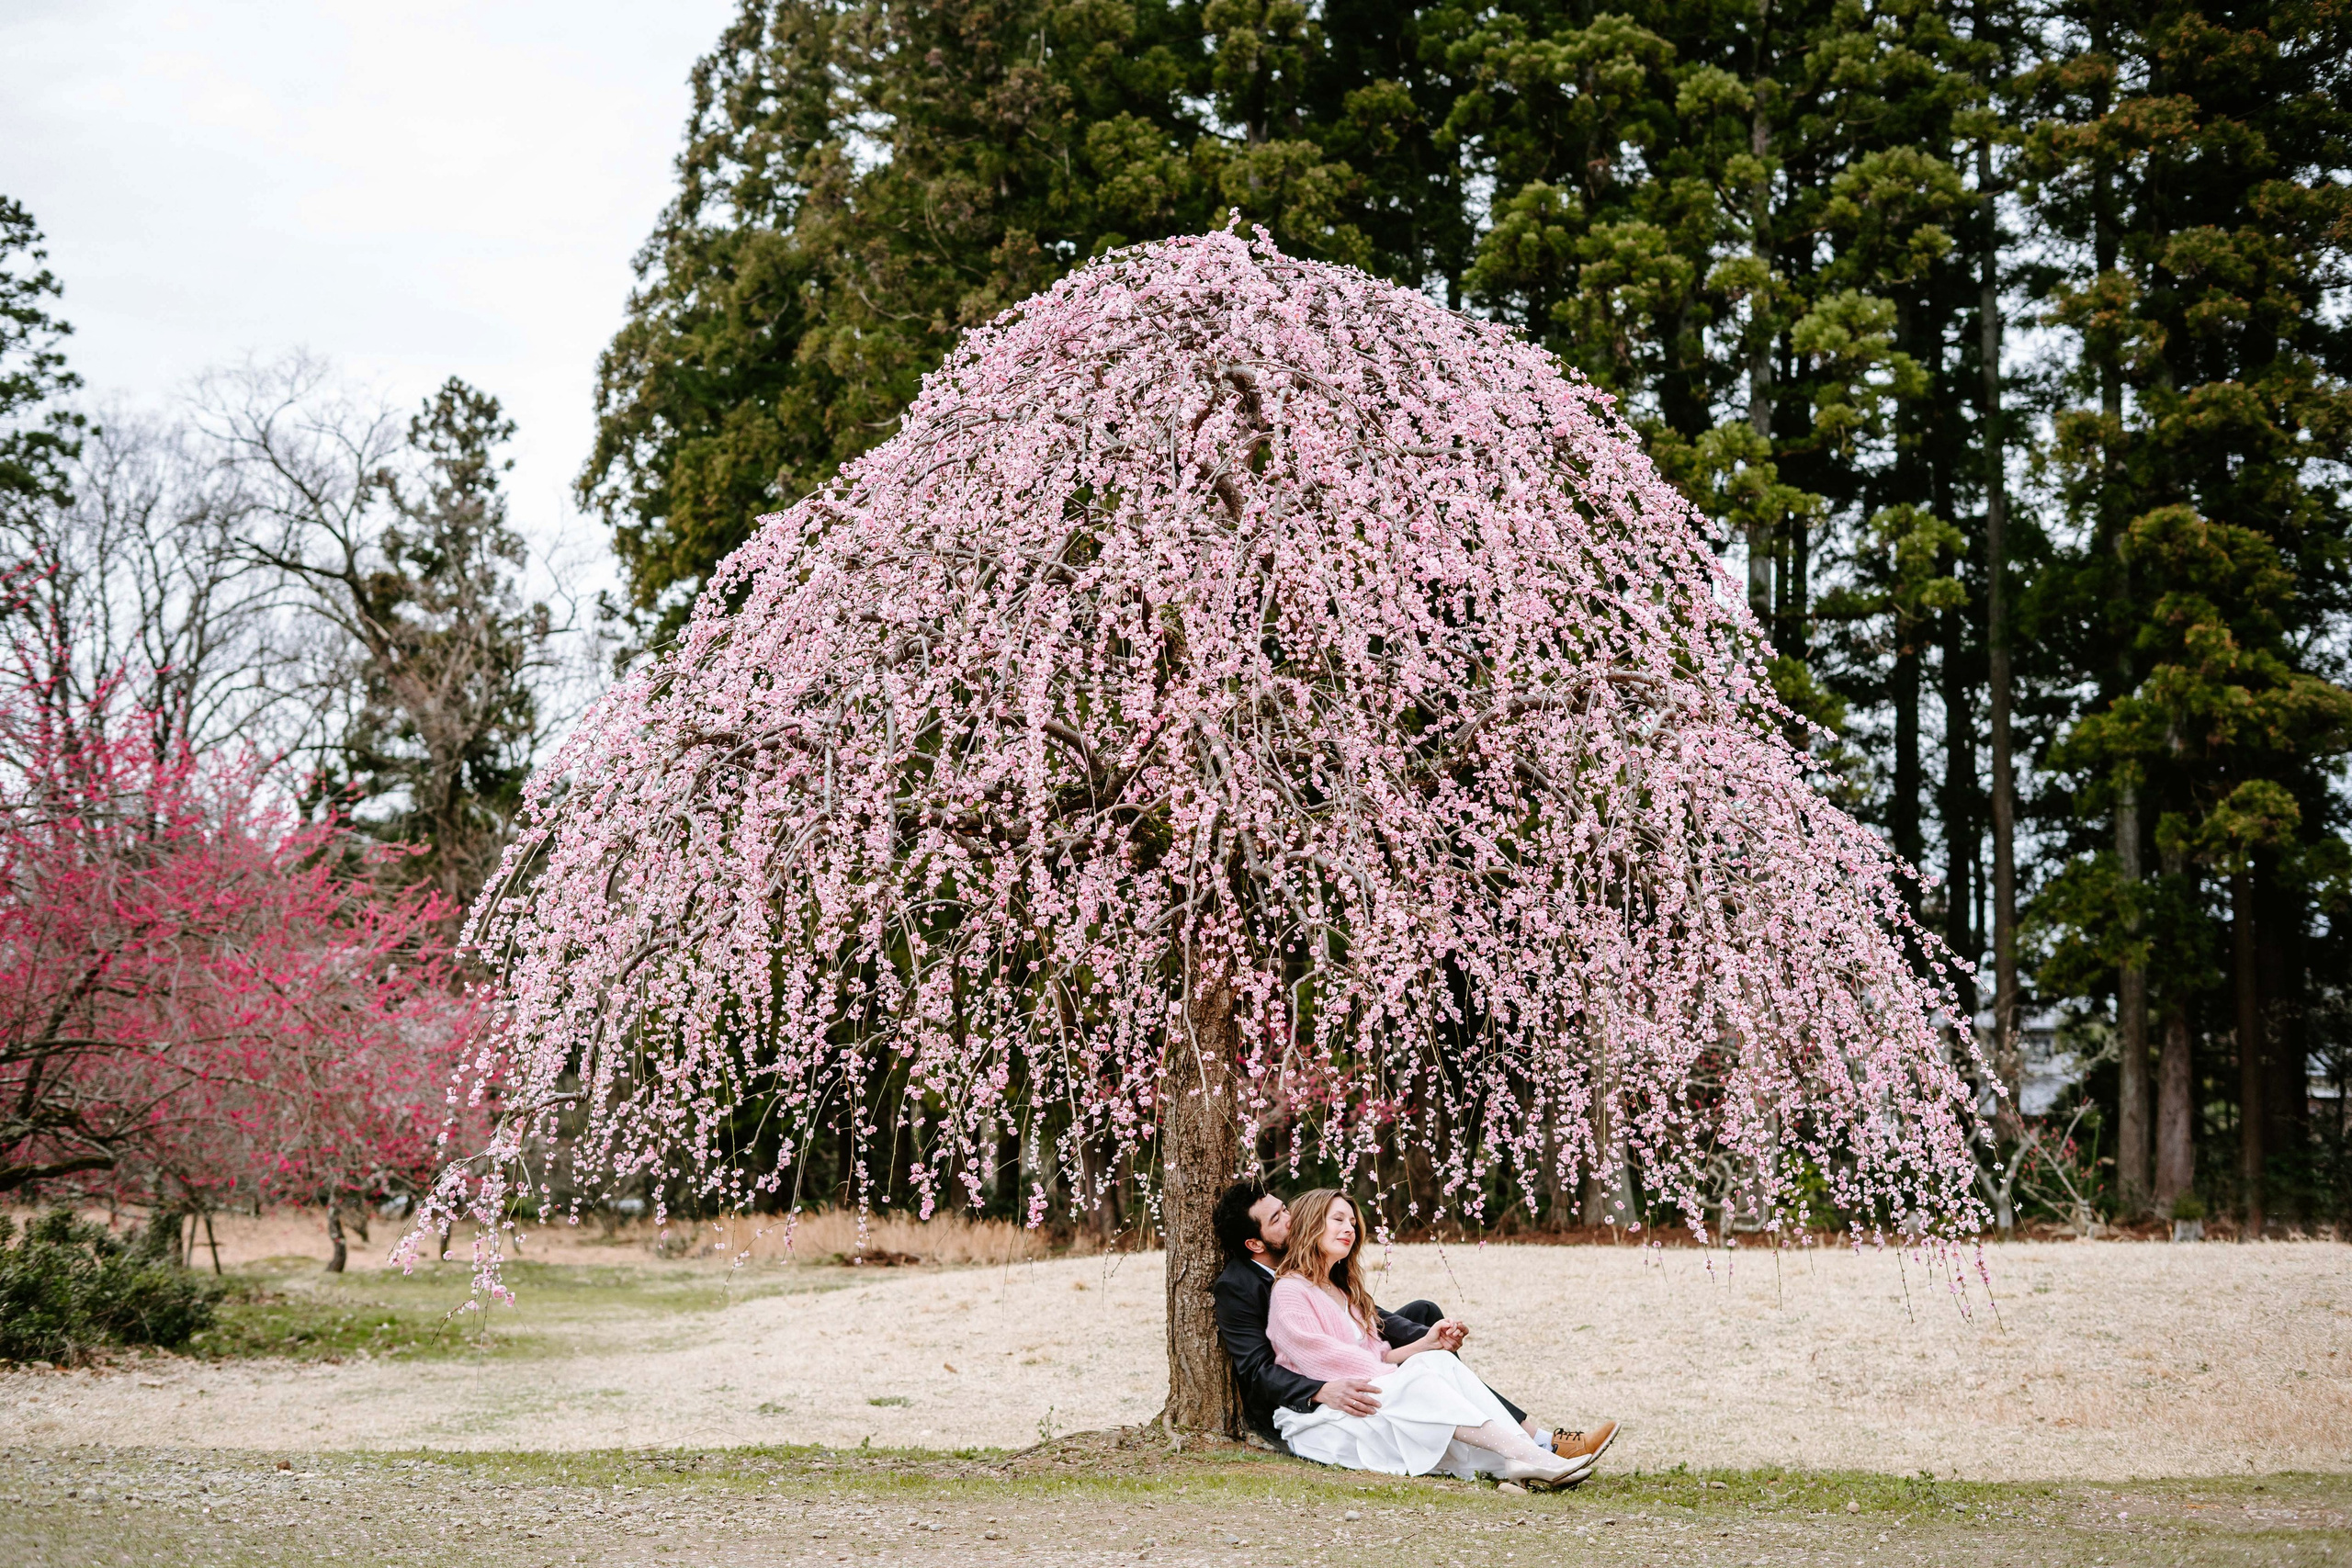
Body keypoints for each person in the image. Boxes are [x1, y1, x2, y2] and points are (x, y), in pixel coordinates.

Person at [1209, 1179, 1617, 1485]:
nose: (1291, 1217)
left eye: (1287, 1208)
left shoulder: (1335, 1281)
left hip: (1361, 1374)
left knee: (1429, 1343)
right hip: (1309, 1399)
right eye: (1279, 1218)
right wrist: (1321, 1389)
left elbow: (1370, 1328)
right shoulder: (1253, 1287)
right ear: (1255, 1243)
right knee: (1421, 1375)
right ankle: (1533, 1448)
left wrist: (1426, 1342)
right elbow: (1263, 1368)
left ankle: (1530, 1449)